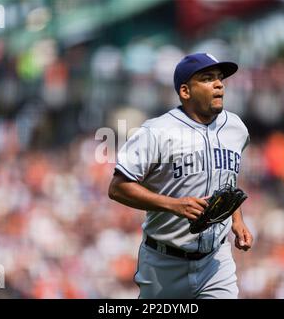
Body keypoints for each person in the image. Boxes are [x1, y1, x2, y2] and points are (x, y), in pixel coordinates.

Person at [108, 52, 253, 299]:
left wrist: (237, 220)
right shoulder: (157, 131)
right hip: (164, 263)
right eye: (208, 78)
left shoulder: (236, 128)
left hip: (215, 261)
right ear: (185, 92)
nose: (219, 84)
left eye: (220, 78)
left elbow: (227, 179)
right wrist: (174, 205)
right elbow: (118, 187)